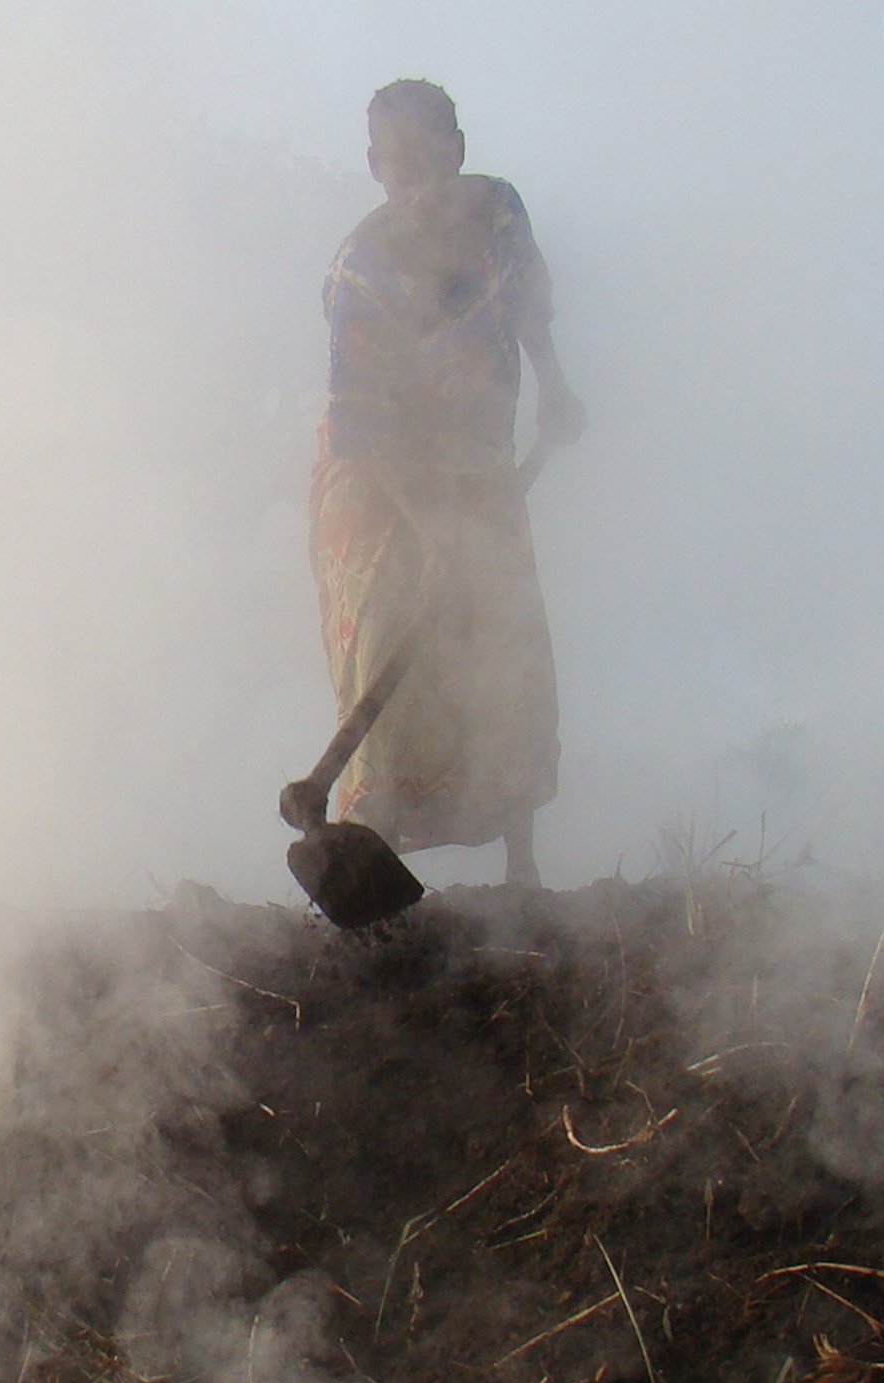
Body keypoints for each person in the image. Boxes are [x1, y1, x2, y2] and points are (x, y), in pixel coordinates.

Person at [311, 78, 583, 889]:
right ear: (374, 166)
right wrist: (429, 536)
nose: (418, 175)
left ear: (458, 150)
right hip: (376, 482)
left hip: (479, 461)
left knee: (506, 641)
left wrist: (558, 389)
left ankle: (522, 866)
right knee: (399, 641)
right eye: (398, 161)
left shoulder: (498, 215)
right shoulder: (360, 269)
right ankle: (369, 857)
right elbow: (361, 426)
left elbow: (531, 307)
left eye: (431, 154)